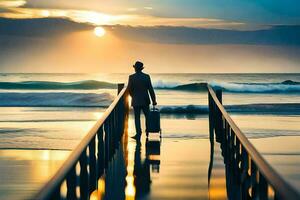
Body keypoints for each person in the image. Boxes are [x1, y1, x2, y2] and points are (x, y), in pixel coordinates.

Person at [127, 61, 157, 140]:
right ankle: (147, 132)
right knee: (147, 116)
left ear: (135, 68)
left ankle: (138, 134)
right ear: (141, 68)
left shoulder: (131, 77)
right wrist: (154, 100)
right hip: (145, 100)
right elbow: (150, 89)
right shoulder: (146, 77)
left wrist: (132, 96)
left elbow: (129, 89)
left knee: (137, 117)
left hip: (136, 100)